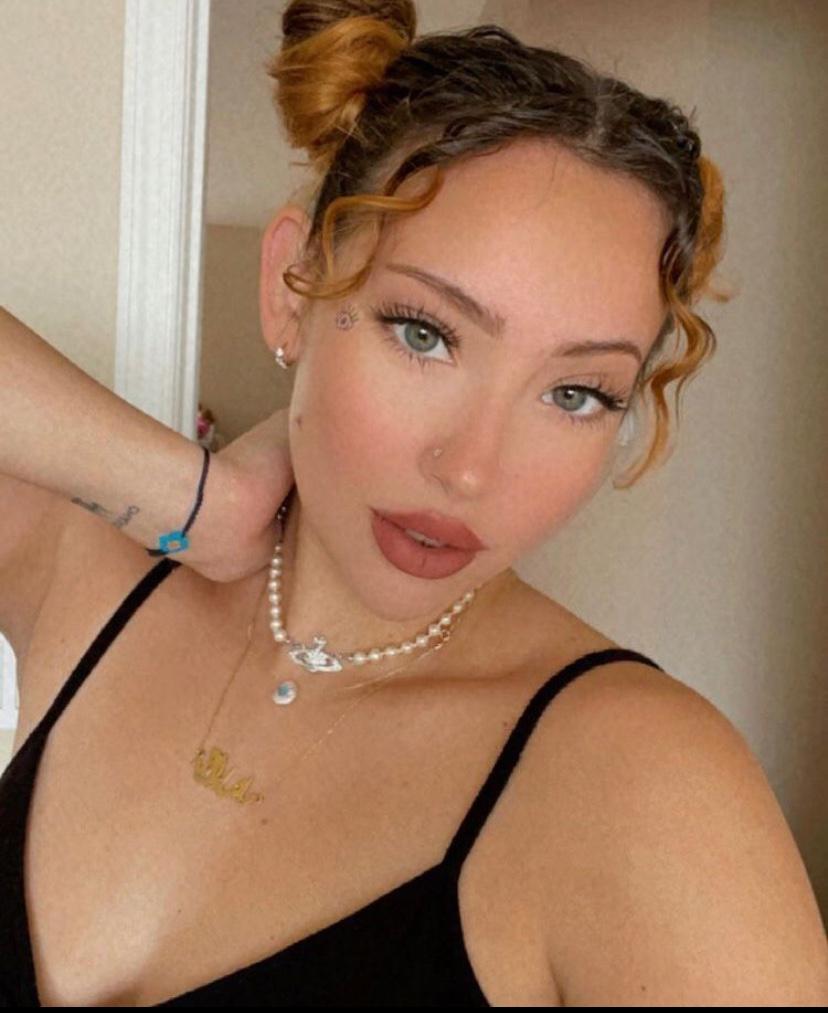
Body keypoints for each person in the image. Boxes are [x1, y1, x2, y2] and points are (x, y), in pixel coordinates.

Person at [1, 0, 826, 1005]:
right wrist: (193, 496)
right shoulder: (91, 577)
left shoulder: (644, 787)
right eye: (426, 334)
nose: (471, 468)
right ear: (292, 287)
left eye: (575, 393)